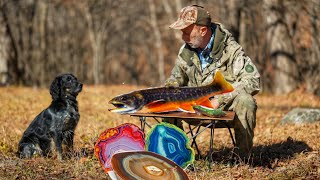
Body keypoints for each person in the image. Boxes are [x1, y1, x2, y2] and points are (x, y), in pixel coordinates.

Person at [163, 5, 261, 160]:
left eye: (186, 32)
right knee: (167, 97)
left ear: (202, 30)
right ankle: (177, 155)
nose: (183, 36)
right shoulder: (187, 50)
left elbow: (253, 80)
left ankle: (243, 159)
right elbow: (177, 77)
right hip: (193, 106)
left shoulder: (231, 50)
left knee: (246, 101)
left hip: (222, 108)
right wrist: (170, 85)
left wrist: (221, 99)